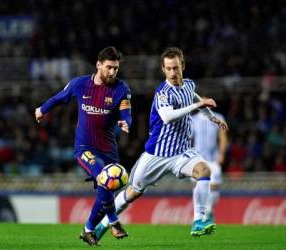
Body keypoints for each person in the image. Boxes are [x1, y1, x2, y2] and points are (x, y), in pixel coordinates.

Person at [94, 47, 228, 240]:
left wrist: (210, 116)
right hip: (156, 154)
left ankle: (199, 220)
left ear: (183, 66)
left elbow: (194, 96)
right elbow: (167, 117)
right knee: (132, 193)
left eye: (175, 68)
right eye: (168, 68)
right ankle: (103, 225)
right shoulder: (163, 92)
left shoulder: (189, 84)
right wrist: (198, 106)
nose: (172, 72)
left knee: (204, 171)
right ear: (163, 69)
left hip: (181, 153)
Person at [34, 47, 132, 246]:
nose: (113, 72)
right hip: (84, 148)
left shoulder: (122, 89)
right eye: (109, 67)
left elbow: (126, 113)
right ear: (98, 64)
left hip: (109, 151)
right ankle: (114, 222)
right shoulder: (80, 84)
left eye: (116, 68)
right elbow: (60, 97)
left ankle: (88, 230)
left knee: (106, 192)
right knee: (104, 177)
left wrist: (125, 123)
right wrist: (42, 109)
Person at [192, 110, 228, 222]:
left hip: (213, 158)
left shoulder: (218, 117)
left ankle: (208, 212)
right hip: (197, 159)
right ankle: (201, 215)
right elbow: (188, 138)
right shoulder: (193, 119)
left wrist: (221, 153)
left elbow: (223, 136)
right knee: (199, 187)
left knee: (213, 186)